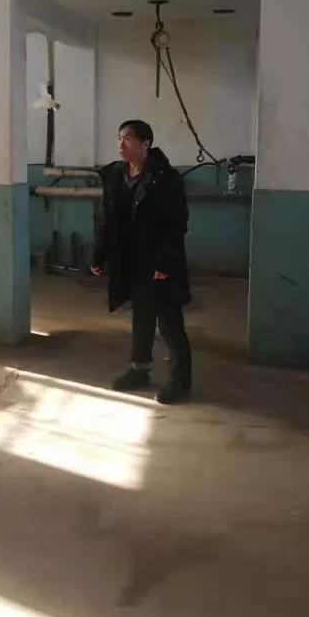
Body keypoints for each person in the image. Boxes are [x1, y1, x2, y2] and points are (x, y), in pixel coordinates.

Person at [90, 120, 193, 405]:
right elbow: (106, 218)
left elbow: (176, 225)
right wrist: (99, 253)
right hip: (130, 259)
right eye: (119, 138)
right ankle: (139, 370)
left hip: (157, 260)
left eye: (127, 139)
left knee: (169, 322)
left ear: (145, 143)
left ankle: (181, 380)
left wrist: (165, 263)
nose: (120, 145)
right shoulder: (115, 174)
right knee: (142, 316)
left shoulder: (165, 178)